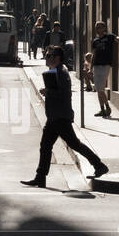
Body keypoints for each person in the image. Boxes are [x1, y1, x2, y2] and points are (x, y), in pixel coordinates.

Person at [21, 46, 108, 188]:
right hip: (55, 116)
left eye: (49, 55)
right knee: (46, 146)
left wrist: (47, 92)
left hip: (60, 116)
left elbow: (62, 93)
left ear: (57, 58)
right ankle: (40, 177)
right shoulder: (57, 71)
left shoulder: (60, 72)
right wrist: (48, 91)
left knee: (73, 144)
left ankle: (99, 165)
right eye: (47, 55)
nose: (47, 58)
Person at [90, 22, 119, 118]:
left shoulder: (109, 36)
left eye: (100, 27)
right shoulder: (95, 41)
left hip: (105, 65)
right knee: (98, 89)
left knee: (100, 88)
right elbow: (94, 55)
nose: (98, 29)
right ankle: (103, 109)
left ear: (104, 28)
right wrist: (90, 67)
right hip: (96, 66)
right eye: (96, 28)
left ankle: (107, 108)